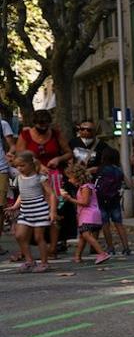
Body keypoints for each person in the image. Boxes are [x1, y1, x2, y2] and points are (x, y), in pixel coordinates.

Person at [15, 109, 71, 256]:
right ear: (34, 123)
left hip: (53, 177)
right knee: (32, 212)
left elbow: (68, 152)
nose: (43, 127)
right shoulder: (26, 135)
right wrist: (38, 165)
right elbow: (20, 156)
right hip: (33, 177)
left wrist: (58, 159)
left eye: (46, 124)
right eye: (40, 125)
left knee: (53, 212)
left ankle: (53, 247)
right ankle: (26, 249)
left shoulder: (56, 134)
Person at [6, 151, 55, 272]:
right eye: (17, 166)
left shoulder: (40, 178)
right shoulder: (19, 178)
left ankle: (44, 263)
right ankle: (29, 261)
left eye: (22, 165)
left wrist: (52, 211)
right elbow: (22, 195)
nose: (19, 168)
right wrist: (15, 206)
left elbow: (52, 194)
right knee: (19, 235)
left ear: (31, 164)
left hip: (39, 211)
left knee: (39, 237)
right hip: (25, 211)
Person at [60, 163, 110, 265]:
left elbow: (85, 203)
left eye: (71, 178)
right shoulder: (85, 187)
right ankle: (77, 256)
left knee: (86, 235)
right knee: (82, 237)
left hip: (89, 215)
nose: (69, 180)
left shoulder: (85, 188)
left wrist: (70, 199)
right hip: (87, 215)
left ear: (77, 177)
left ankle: (102, 253)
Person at [94, 148, 131, 256]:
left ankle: (110, 247)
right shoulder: (118, 170)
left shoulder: (101, 169)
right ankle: (126, 247)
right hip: (115, 199)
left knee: (105, 224)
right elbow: (129, 184)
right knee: (119, 223)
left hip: (101, 200)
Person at [0, 112, 14, 254]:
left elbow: (12, 146)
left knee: (0, 207)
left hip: (0, 168)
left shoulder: (2, 124)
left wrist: (10, 155)